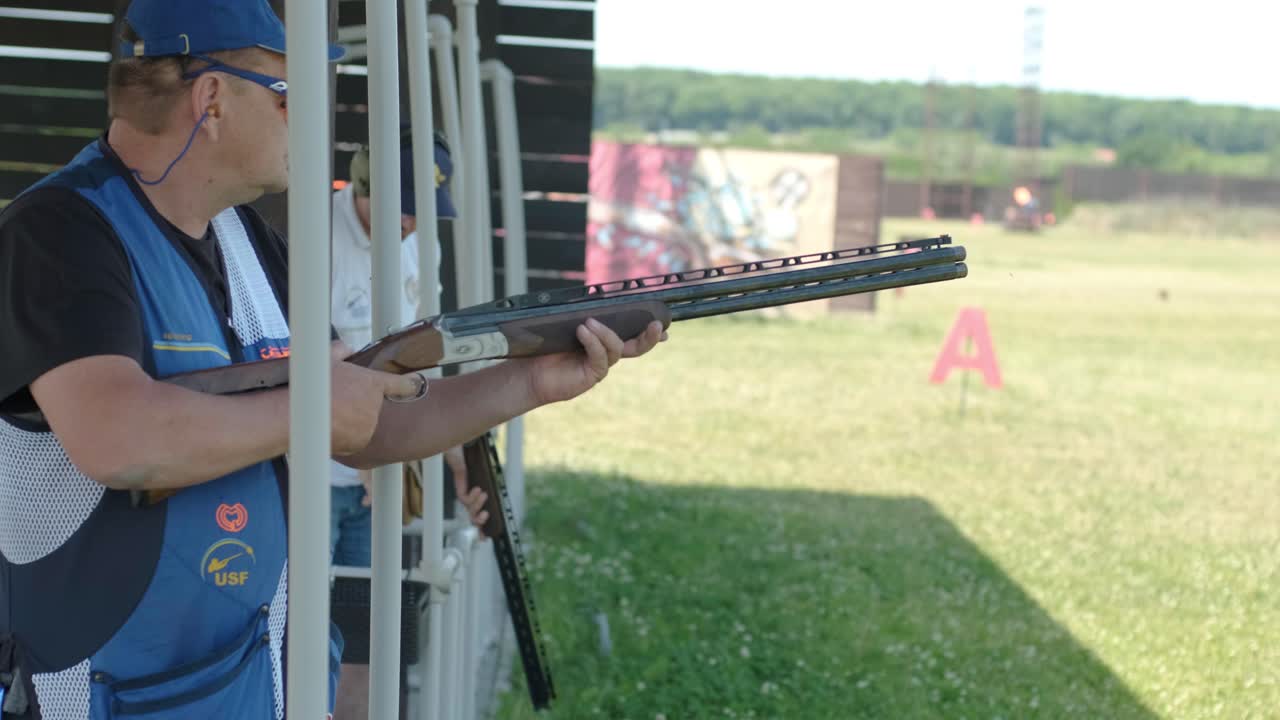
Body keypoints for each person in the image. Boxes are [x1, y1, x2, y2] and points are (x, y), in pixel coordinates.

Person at [0, 1, 665, 719]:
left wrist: (533, 379)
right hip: (103, 690)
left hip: (250, 674)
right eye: (288, 95)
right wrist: (312, 405)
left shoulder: (249, 242)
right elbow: (117, 438)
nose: (309, 120)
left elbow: (370, 422)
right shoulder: (62, 231)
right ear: (212, 98)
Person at [329, 127, 484, 570]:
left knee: (365, 620)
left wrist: (443, 437)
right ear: (365, 183)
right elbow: (304, 357)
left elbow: (422, 348)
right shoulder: (313, 237)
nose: (412, 221)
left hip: (383, 467)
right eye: (405, 205)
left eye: (423, 210)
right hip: (309, 474)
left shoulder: (420, 243)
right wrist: (370, 448)